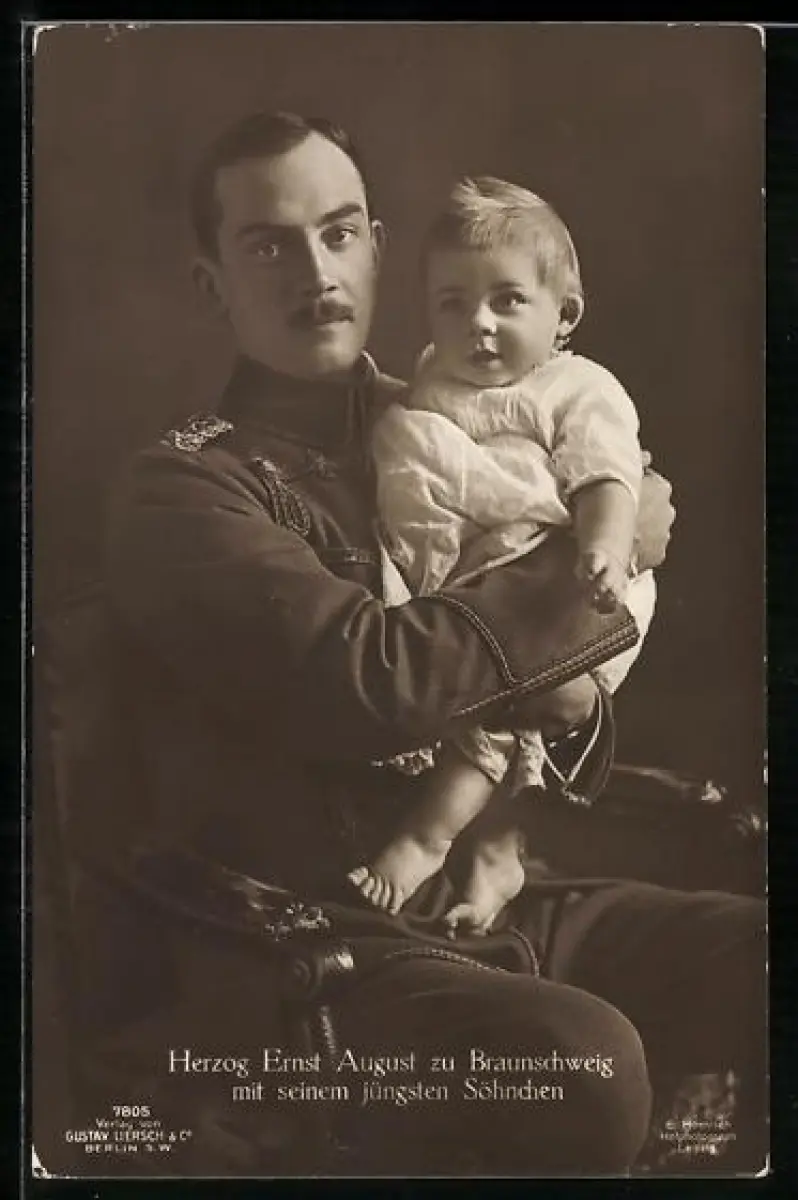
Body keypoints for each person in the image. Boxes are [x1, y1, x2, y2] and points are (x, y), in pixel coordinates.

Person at [96, 110, 764, 1175]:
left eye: (339, 232)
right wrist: (596, 547)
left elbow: (574, 697)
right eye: (269, 245)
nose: (317, 271)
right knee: (582, 1068)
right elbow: (371, 680)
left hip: (494, 883)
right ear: (211, 284)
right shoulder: (183, 488)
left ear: (377, 248)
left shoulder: (470, 411)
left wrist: (575, 702)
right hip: (323, 939)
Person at [349, 176, 657, 932]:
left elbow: (608, 473)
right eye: (452, 303)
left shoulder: (575, 387)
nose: (478, 324)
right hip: (470, 581)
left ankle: (427, 839)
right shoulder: (431, 382)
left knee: (492, 727)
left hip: (572, 581)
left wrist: (604, 546)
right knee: (489, 711)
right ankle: (497, 856)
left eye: (508, 300)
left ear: (564, 315)